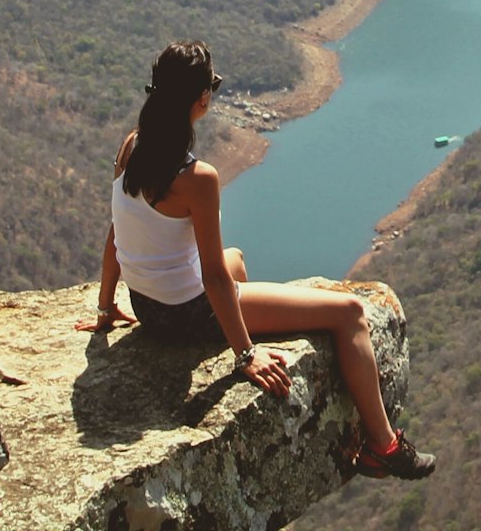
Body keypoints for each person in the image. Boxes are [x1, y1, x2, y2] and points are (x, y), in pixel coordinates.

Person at [76, 40, 436, 481]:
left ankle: (245, 320)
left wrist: (105, 307)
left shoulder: (132, 147)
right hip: (186, 313)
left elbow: (118, 231)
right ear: (201, 98)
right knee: (350, 313)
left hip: (147, 308)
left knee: (237, 259)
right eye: (213, 85)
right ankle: (384, 446)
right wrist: (245, 354)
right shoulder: (197, 178)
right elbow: (212, 278)